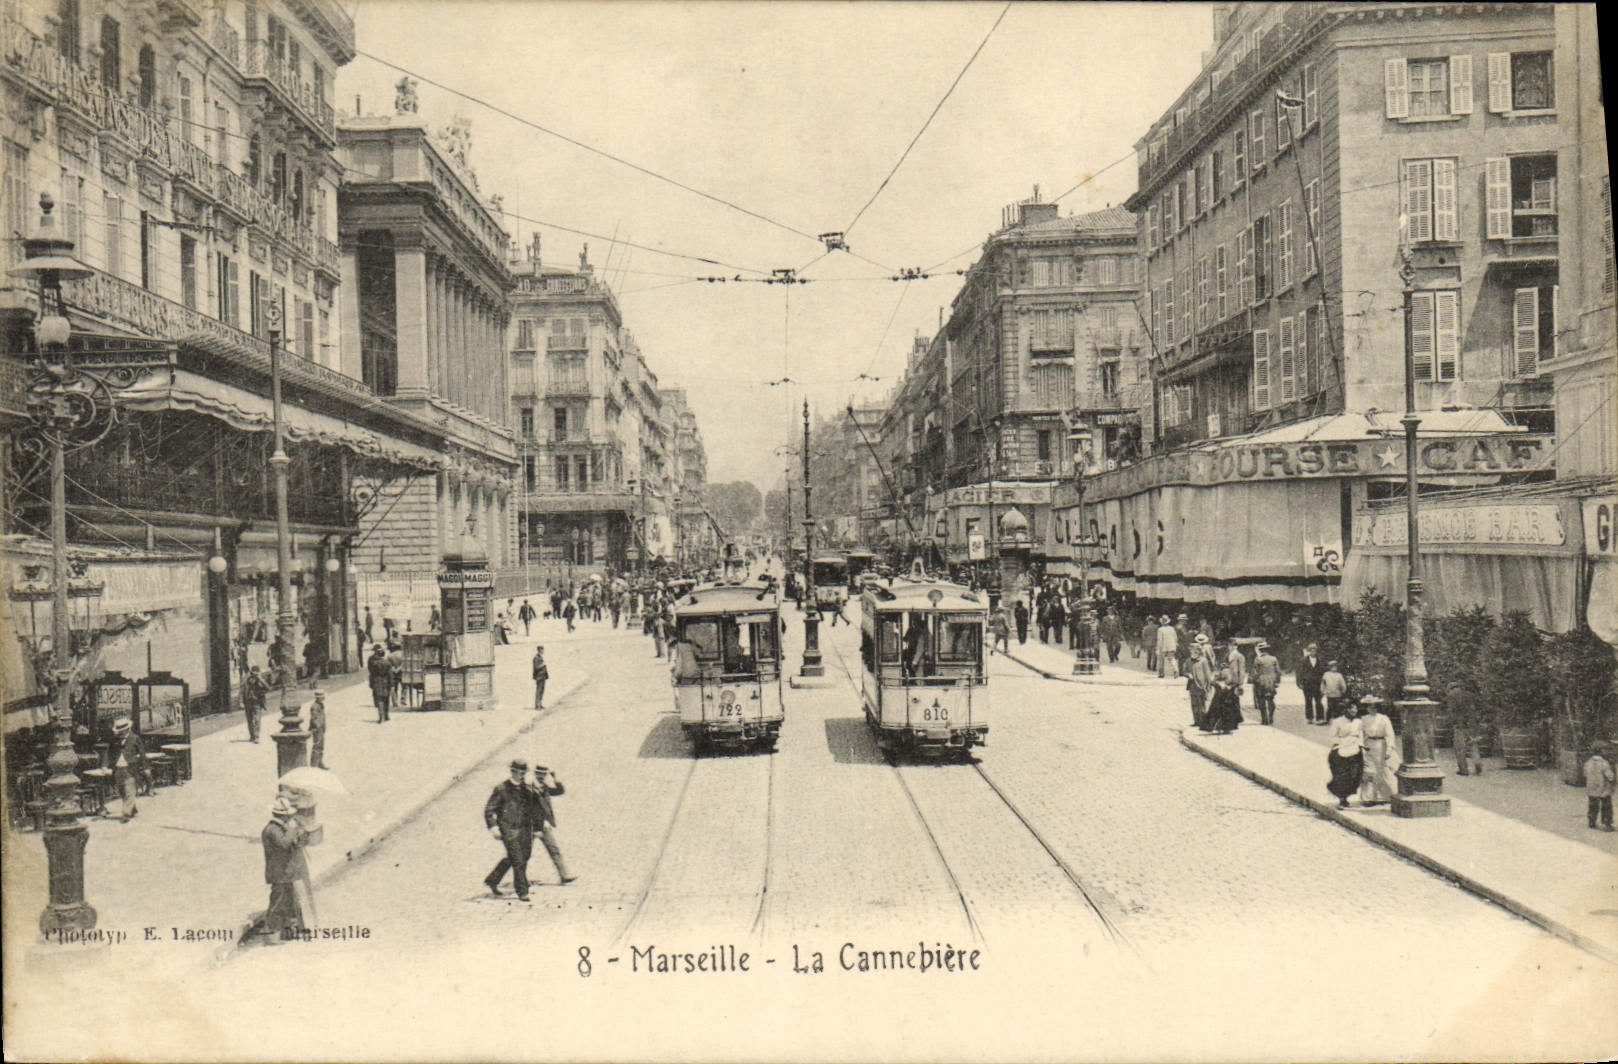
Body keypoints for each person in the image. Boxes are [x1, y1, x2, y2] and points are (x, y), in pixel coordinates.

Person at [253, 795, 311, 940]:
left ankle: (286, 933)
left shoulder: (280, 828)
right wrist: (292, 831)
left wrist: (300, 836)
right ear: (282, 815)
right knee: (277, 903)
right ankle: (272, 934)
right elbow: (284, 843)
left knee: (289, 903)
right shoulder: (272, 830)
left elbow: (292, 845)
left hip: (286, 872)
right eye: (288, 815)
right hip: (278, 873)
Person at [485, 759, 540, 901]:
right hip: (509, 829)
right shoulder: (501, 789)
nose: (520, 775)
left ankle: (493, 879)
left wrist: (537, 827)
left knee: (522, 857)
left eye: (523, 773)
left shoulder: (527, 789)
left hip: (525, 830)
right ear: (512, 772)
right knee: (518, 860)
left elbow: (535, 808)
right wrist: (494, 827)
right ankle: (522, 891)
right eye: (518, 772)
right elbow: (490, 810)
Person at [529, 763, 576, 885]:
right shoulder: (529, 788)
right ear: (535, 774)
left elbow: (560, 791)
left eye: (543, 774)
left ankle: (564, 875)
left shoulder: (545, 788)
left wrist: (555, 778)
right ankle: (500, 878)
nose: (541, 776)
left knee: (554, 850)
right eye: (539, 774)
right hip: (531, 826)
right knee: (521, 853)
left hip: (544, 826)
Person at [1357, 696, 1398, 806]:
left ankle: (1386, 796)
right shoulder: (1363, 719)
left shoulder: (1383, 718)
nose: (1372, 708)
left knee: (1383, 770)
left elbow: (1390, 734)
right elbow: (1360, 733)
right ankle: (1369, 797)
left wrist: (1389, 748)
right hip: (1369, 745)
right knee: (1370, 771)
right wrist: (1361, 746)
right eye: (1370, 706)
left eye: (1374, 706)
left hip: (1381, 745)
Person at [1326, 701, 1364, 808]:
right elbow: (1332, 737)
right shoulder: (1338, 722)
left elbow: (1361, 735)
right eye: (1352, 708)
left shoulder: (1358, 722)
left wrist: (1361, 744)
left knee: (1355, 774)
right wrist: (1344, 742)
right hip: (1341, 750)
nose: (1355, 711)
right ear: (1346, 709)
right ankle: (1342, 798)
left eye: (1356, 708)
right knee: (1342, 775)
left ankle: (1347, 794)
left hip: (1355, 751)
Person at [111, 717, 146, 822]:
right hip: (118, 768)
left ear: (127, 729)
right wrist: (106, 765)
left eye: (121, 731)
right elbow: (110, 753)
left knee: (129, 791)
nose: (120, 733)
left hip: (130, 768)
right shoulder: (115, 740)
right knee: (121, 791)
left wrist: (145, 767)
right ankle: (133, 809)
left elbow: (142, 753)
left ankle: (126, 813)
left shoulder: (135, 738)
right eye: (119, 731)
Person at [1447, 677, 1485, 776]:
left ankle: (1463, 769)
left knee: (1460, 748)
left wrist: (1453, 722)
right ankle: (1478, 766)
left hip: (1460, 724)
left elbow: (1452, 711)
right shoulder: (1469, 694)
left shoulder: (1451, 695)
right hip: (1471, 723)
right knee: (1473, 744)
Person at [1584, 742, 1615, 832]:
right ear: (1601, 752)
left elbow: (1585, 774)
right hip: (1603, 789)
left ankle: (1591, 821)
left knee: (1592, 806)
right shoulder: (1604, 763)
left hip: (1591, 788)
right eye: (1605, 750)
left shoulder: (1588, 763)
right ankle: (1607, 823)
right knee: (1606, 806)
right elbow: (1610, 776)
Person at [1186, 634, 1214, 729]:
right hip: (1192, 685)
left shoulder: (1203, 661)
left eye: (1195, 652)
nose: (1193, 653)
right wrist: (1188, 674)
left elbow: (1207, 674)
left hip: (1201, 685)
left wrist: (1208, 685)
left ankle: (1202, 721)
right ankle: (1196, 721)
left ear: (1198, 652)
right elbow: (1185, 670)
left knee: (1201, 704)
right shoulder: (1188, 661)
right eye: (1191, 652)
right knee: (1194, 704)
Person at [1251, 641, 1281, 726]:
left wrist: (1254, 681)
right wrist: (1277, 681)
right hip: (1271, 681)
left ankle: (1264, 719)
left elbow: (1255, 672)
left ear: (1260, 650)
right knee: (1271, 700)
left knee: (1261, 700)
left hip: (1261, 681)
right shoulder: (1273, 659)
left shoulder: (1258, 659)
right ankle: (1271, 717)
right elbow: (1278, 671)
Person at [1297, 643, 1326, 725]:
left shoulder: (1320, 660)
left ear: (1316, 651)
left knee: (1318, 701)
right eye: (1311, 650)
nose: (1313, 651)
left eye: (1315, 650)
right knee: (1308, 701)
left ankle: (1320, 718)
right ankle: (1309, 717)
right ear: (1309, 651)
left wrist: (1324, 683)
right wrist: (1299, 682)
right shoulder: (1303, 660)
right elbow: (1299, 672)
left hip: (1317, 684)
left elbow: (1323, 672)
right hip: (1307, 684)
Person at [367, 644, 394, 723]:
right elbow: (390, 675)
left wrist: (371, 684)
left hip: (377, 682)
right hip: (386, 683)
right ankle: (386, 715)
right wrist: (391, 684)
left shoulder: (373, 663)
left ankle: (381, 717)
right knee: (386, 699)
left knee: (379, 700)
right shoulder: (387, 663)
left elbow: (371, 673)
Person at [244, 665, 268, 743]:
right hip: (248, 702)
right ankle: (252, 736)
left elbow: (268, 688)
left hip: (257, 702)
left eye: (256, 673)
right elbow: (241, 690)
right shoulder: (246, 680)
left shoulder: (260, 680)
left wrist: (260, 679)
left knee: (257, 719)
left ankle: (257, 736)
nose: (254, 675)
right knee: (250, 720)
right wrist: (241, 702)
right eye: (253, 673)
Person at [307, 690, 327, 770]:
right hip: (317, 729)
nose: (324, 697)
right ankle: (314, 765)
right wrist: (317, 726)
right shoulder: (314, 706)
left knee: (321, 746)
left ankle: (319, 762)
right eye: (322, 696)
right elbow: (314, 718)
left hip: (321, 728)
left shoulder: (320, 705)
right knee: (317, 746)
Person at [1156, 615, 1179, 679]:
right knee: (1172, 659)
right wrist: (1175, 644)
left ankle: (1161, 673)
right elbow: (1175, 637)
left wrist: (1158, 648)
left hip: (1163, 647)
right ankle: (1175, 669)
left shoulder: (1160, 630)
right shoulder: (1172, 628)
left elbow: (1159, 640)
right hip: (1171, 646)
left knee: (1161, 660)